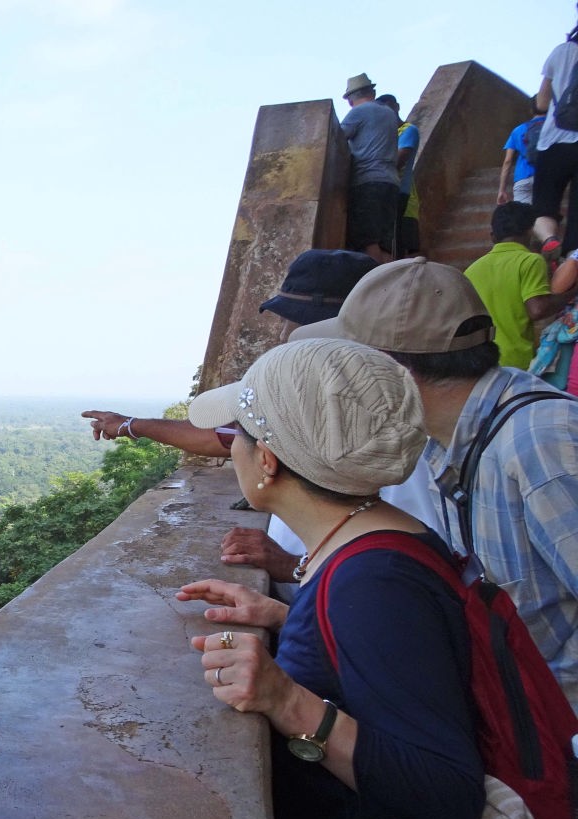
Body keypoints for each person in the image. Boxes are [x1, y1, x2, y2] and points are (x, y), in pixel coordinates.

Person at [178, 337, 517, 819]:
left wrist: (286, 699)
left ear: (269, 462)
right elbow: (392, 665)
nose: (232, 451)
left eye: (238, 437)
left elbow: (447, 792)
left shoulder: (373, 580)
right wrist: (288, 617)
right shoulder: (376, 541)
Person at [292, 256, 578, 709]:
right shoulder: (444, 438)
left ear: (394, 374)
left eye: (347, 368)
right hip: (519, 714)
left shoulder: (540, 443)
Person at [82, 249, 440, 589]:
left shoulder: (385, 434)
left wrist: (295, 566)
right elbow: (225, 434)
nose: (284, 336)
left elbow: (391, 569)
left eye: (298, 326)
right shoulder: (342, 410)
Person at [464, 200, 574, 368]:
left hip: (480, 361)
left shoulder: (471, 271)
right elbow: (538, 309)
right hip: (516, 361)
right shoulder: (530, 261)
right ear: (530, 231)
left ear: (492, 235)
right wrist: (572, 293)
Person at [340, 73, 399, 263]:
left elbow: (337, 138)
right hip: (391, 182)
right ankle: (388, 279)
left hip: (368, 181)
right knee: (385, 243)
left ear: (350, 100)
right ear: (372, 92)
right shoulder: (389, 113)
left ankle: (373, 278)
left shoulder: (358, 112)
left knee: (367, 241)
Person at [533, 17, 578, 260]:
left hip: (554, 140)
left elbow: (541, 103)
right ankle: (573, 258)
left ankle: (549, 239)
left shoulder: (561, 51)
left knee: (544, 205)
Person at [377, 94, 420, 257]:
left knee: (403, 246)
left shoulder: (408, 130)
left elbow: (398, 161)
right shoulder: (385, 134)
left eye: (389, 108)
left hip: (404, 195)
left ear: (397, 107)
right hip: (390, 193)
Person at [499, 111, 546, 206]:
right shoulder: (554, 127)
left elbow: (508, 161)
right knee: (546, 213)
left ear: (531, 110)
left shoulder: (518, 130)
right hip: (546, 176)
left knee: (522, 214)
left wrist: (502, 190)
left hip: (523, 177)